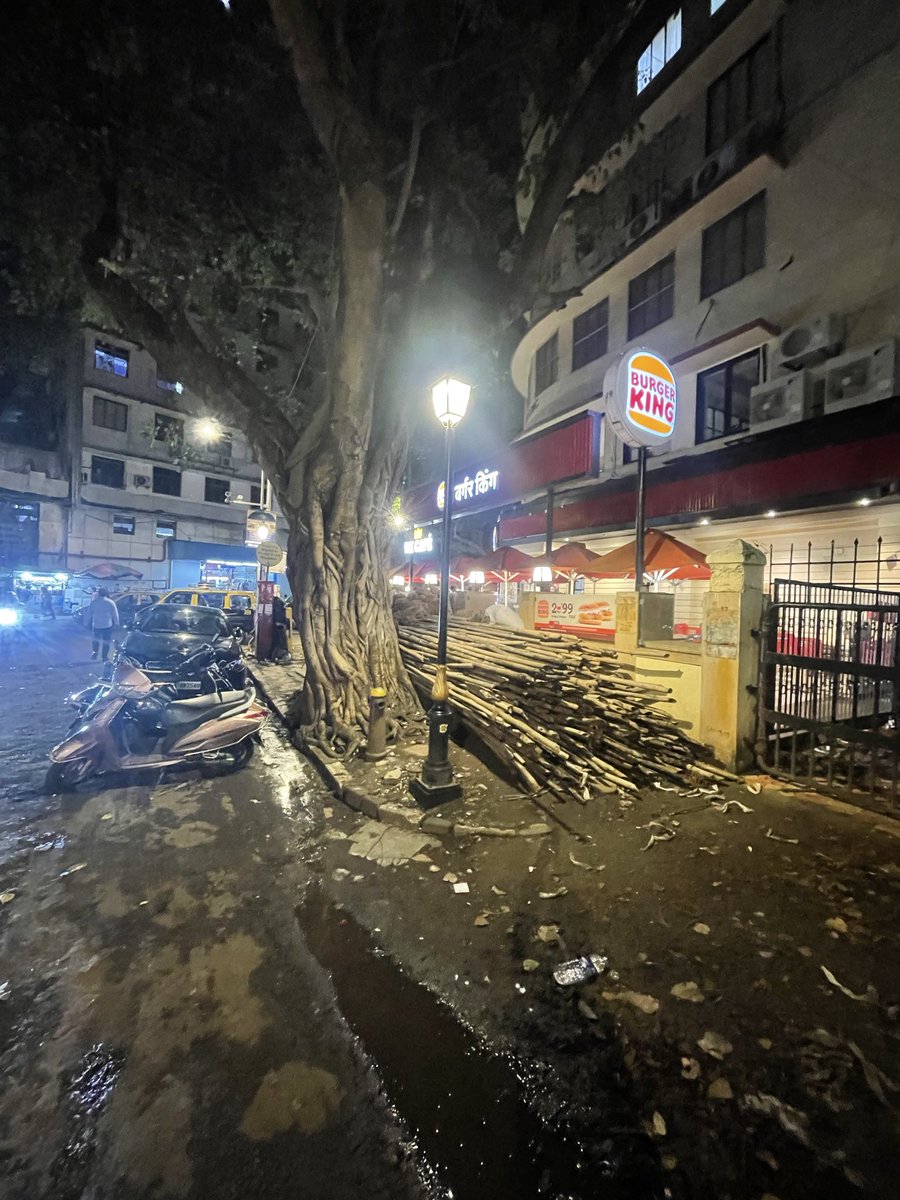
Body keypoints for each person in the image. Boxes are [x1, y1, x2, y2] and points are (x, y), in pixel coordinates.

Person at [86, 587, 119, 661]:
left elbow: (89, 613)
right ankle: (104, 657)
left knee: (95, 640)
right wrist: (117, 623)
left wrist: (86, 622)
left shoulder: (94, 602)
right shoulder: (110, 602)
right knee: (106, 642)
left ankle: (95, 653)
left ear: (99, 594)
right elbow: (115, 614)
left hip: (96, 625)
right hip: (107, 625)